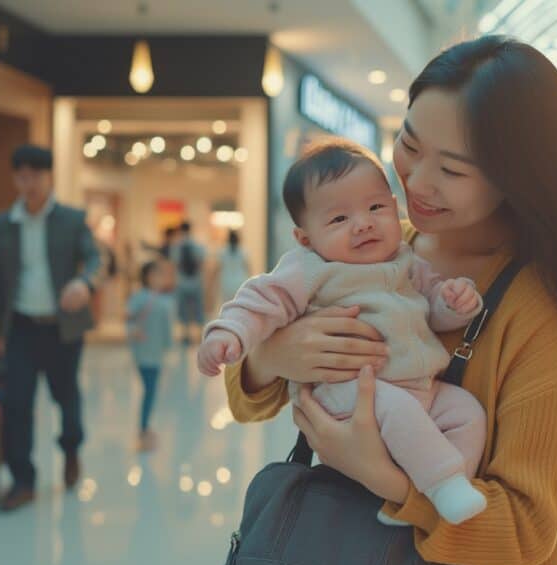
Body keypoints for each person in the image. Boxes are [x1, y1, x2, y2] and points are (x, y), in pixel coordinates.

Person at [222, 37, 557, 565]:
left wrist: (389, 479)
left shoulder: (537, 313)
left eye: (453, 170)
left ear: (518, 180)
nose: (414, 181)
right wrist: (275, 354)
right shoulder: (377, 245)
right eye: (409, 145)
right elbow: (248, 398)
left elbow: (528, 530)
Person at [199, 138, 489, 525]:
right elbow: (260, 299)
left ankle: (428, 492)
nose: (364, 223)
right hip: (352, 392)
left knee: (467, 411)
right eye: (339, 219)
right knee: (397, 409)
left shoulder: (406, 258)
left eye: (375, 207)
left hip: (421, 388)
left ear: (393, 205)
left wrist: (453, 305)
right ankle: (442, 484)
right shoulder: (310, 269)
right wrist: (230, 334)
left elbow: (431, 310)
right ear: (306, 238)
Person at [0, 144, 102, 511]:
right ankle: (23, 480)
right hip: (20, 326)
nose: (28, 183)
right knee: (17, 402)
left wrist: (84, 283)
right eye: (21, 176)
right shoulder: (5, 223)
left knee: (65, 396)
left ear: (48, 176)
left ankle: (70, 449)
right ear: (14, 178)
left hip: (61, 328)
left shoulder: (70, 218)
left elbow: (96, 257)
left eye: (35, 175)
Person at [127, 259, 176, 451]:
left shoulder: (163, 299)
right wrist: (132, 331)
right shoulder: (139, 298)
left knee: (151, 390)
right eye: (157, 274)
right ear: (147, 277)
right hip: (144, 353)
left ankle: (145, 425)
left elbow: (167, 330)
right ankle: (144, 427)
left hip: (155, 353)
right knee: (150, 391)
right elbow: (129, 320)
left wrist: (168, 348)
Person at [169, 221, 207, 344]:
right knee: (197, 309)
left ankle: (186, 336)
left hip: (182, 281)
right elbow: (202, 263)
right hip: (196, 281)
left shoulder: (177, 246)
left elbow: (174, 265)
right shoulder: (197, 245)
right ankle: (201, 334)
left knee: (184, 310)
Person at [215, 230, 251, 304]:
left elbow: (217, 269)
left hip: (226, 283)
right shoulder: (243, 251)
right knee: (239, 306)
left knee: (227, 306)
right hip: (240, 282)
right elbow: (248, 269)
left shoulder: (223, 251)